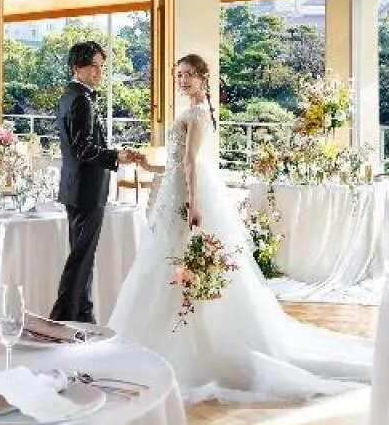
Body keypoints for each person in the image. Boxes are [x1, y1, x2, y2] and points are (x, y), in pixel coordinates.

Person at [110, 54, 372, 404]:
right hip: (177, 196)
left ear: (204, 78)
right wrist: (148, 165)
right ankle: (176, 340)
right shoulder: (193, 112)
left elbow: (190, 162)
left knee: (185, 266)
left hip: (186, 200)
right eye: (179, 75)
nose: (183, 81)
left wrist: (194, 204)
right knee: (171, 267)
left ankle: (195, 346)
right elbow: (176, 166)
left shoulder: (198, 114)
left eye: (189, 75)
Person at [51, 41, 144, 323]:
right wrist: (117, 156)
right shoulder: (81, 99)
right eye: (93, 66)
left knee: (83, 258)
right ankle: (60, 320)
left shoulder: (70, 95)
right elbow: (84, 149)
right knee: (80, 260)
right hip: (86, 190)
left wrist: (114, 155)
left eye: (101, 66)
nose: (99, 72)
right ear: (76, 67)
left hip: (76, 189)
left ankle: (83, 317)